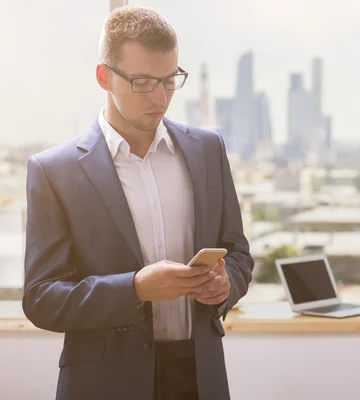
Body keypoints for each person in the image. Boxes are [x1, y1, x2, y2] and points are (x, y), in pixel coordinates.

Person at [22, 5, 253, 400]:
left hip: (200, 375)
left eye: (169, 80)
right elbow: (42, 298)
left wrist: (225, 284)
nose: (161, 97)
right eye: (144, 81)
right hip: (104, 382)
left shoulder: (207, 150)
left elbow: (239, 254)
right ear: (104, 77)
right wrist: (134, 289)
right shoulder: (53, 170)